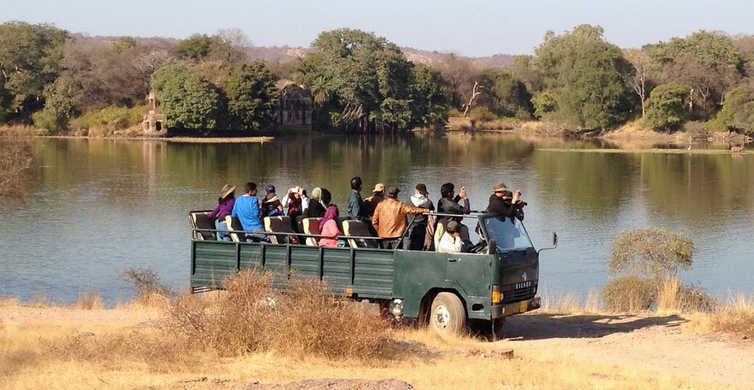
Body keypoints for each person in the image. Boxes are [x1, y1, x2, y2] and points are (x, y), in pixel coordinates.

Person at [406, 183, 434, 250]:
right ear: (423, 192)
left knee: (409, 245)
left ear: (416, 191)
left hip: (410, 226)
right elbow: (432, 209)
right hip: (421, 227)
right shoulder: (428, 202)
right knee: (419, 245)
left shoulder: (408, 200)